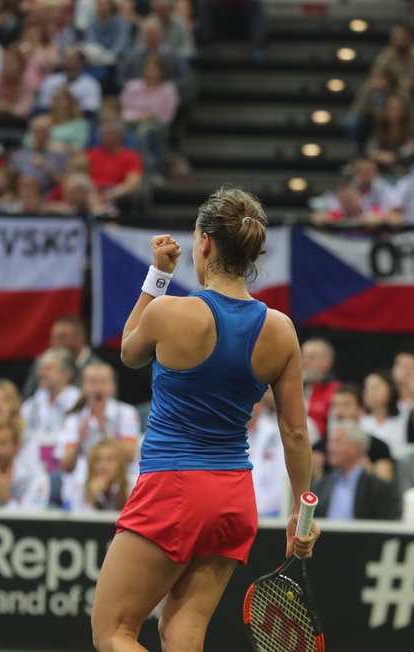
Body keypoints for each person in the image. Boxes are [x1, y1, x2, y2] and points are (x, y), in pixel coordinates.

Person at [91, 187, 317, 652]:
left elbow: (129, 350)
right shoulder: (280, 329)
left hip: (173, 488)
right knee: (181, 634)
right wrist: (301, 509)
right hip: (233, 500)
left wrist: (159, 276)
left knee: (114, 633)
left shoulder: (170, 312)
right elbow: (294, 430)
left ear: (206, 244)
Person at [59, 362, 139, 506]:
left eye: (103, 382)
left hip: (120, 477)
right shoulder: (74, 418)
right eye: (92, 382)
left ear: (112, 386)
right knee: (75, 486)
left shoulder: (126, 412)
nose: (97, 387)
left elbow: (129, 455)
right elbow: (66, 466)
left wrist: (104, 428)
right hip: (85, 479)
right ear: (83, 387)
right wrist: (79, 440)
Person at [311, 419, 400, 521]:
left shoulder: (379, 489)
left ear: (356, 447)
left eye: (337, 441)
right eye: (330, 442)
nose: (329, 447)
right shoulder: (318, 486)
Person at [21, 347, 82, 473]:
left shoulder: (80, 402)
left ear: (67, 374)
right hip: (35, 466)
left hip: (71, 466)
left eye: (49, 369)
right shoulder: (31, 405)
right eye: (41, 368)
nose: (42, 373)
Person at [22, 316, 103, 396]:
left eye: (62, 337)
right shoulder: (43, 363)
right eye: (53, 337)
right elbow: (27, 396)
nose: (55, 343)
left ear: (80, 338)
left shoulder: (99, 368)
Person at [68, 439, 131, 513]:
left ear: (120, 464)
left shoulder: (132, 487)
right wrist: (91, 498)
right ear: (91, 465)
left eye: (110, 459)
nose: (104, 466)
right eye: (98, 460)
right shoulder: (80, 488)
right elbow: (77, 521)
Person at [300, 337, 340, 439]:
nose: (305, 362)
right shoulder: (296, 388)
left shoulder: (336, 392)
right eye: (303, 356)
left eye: (311, 357)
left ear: (327, 361)